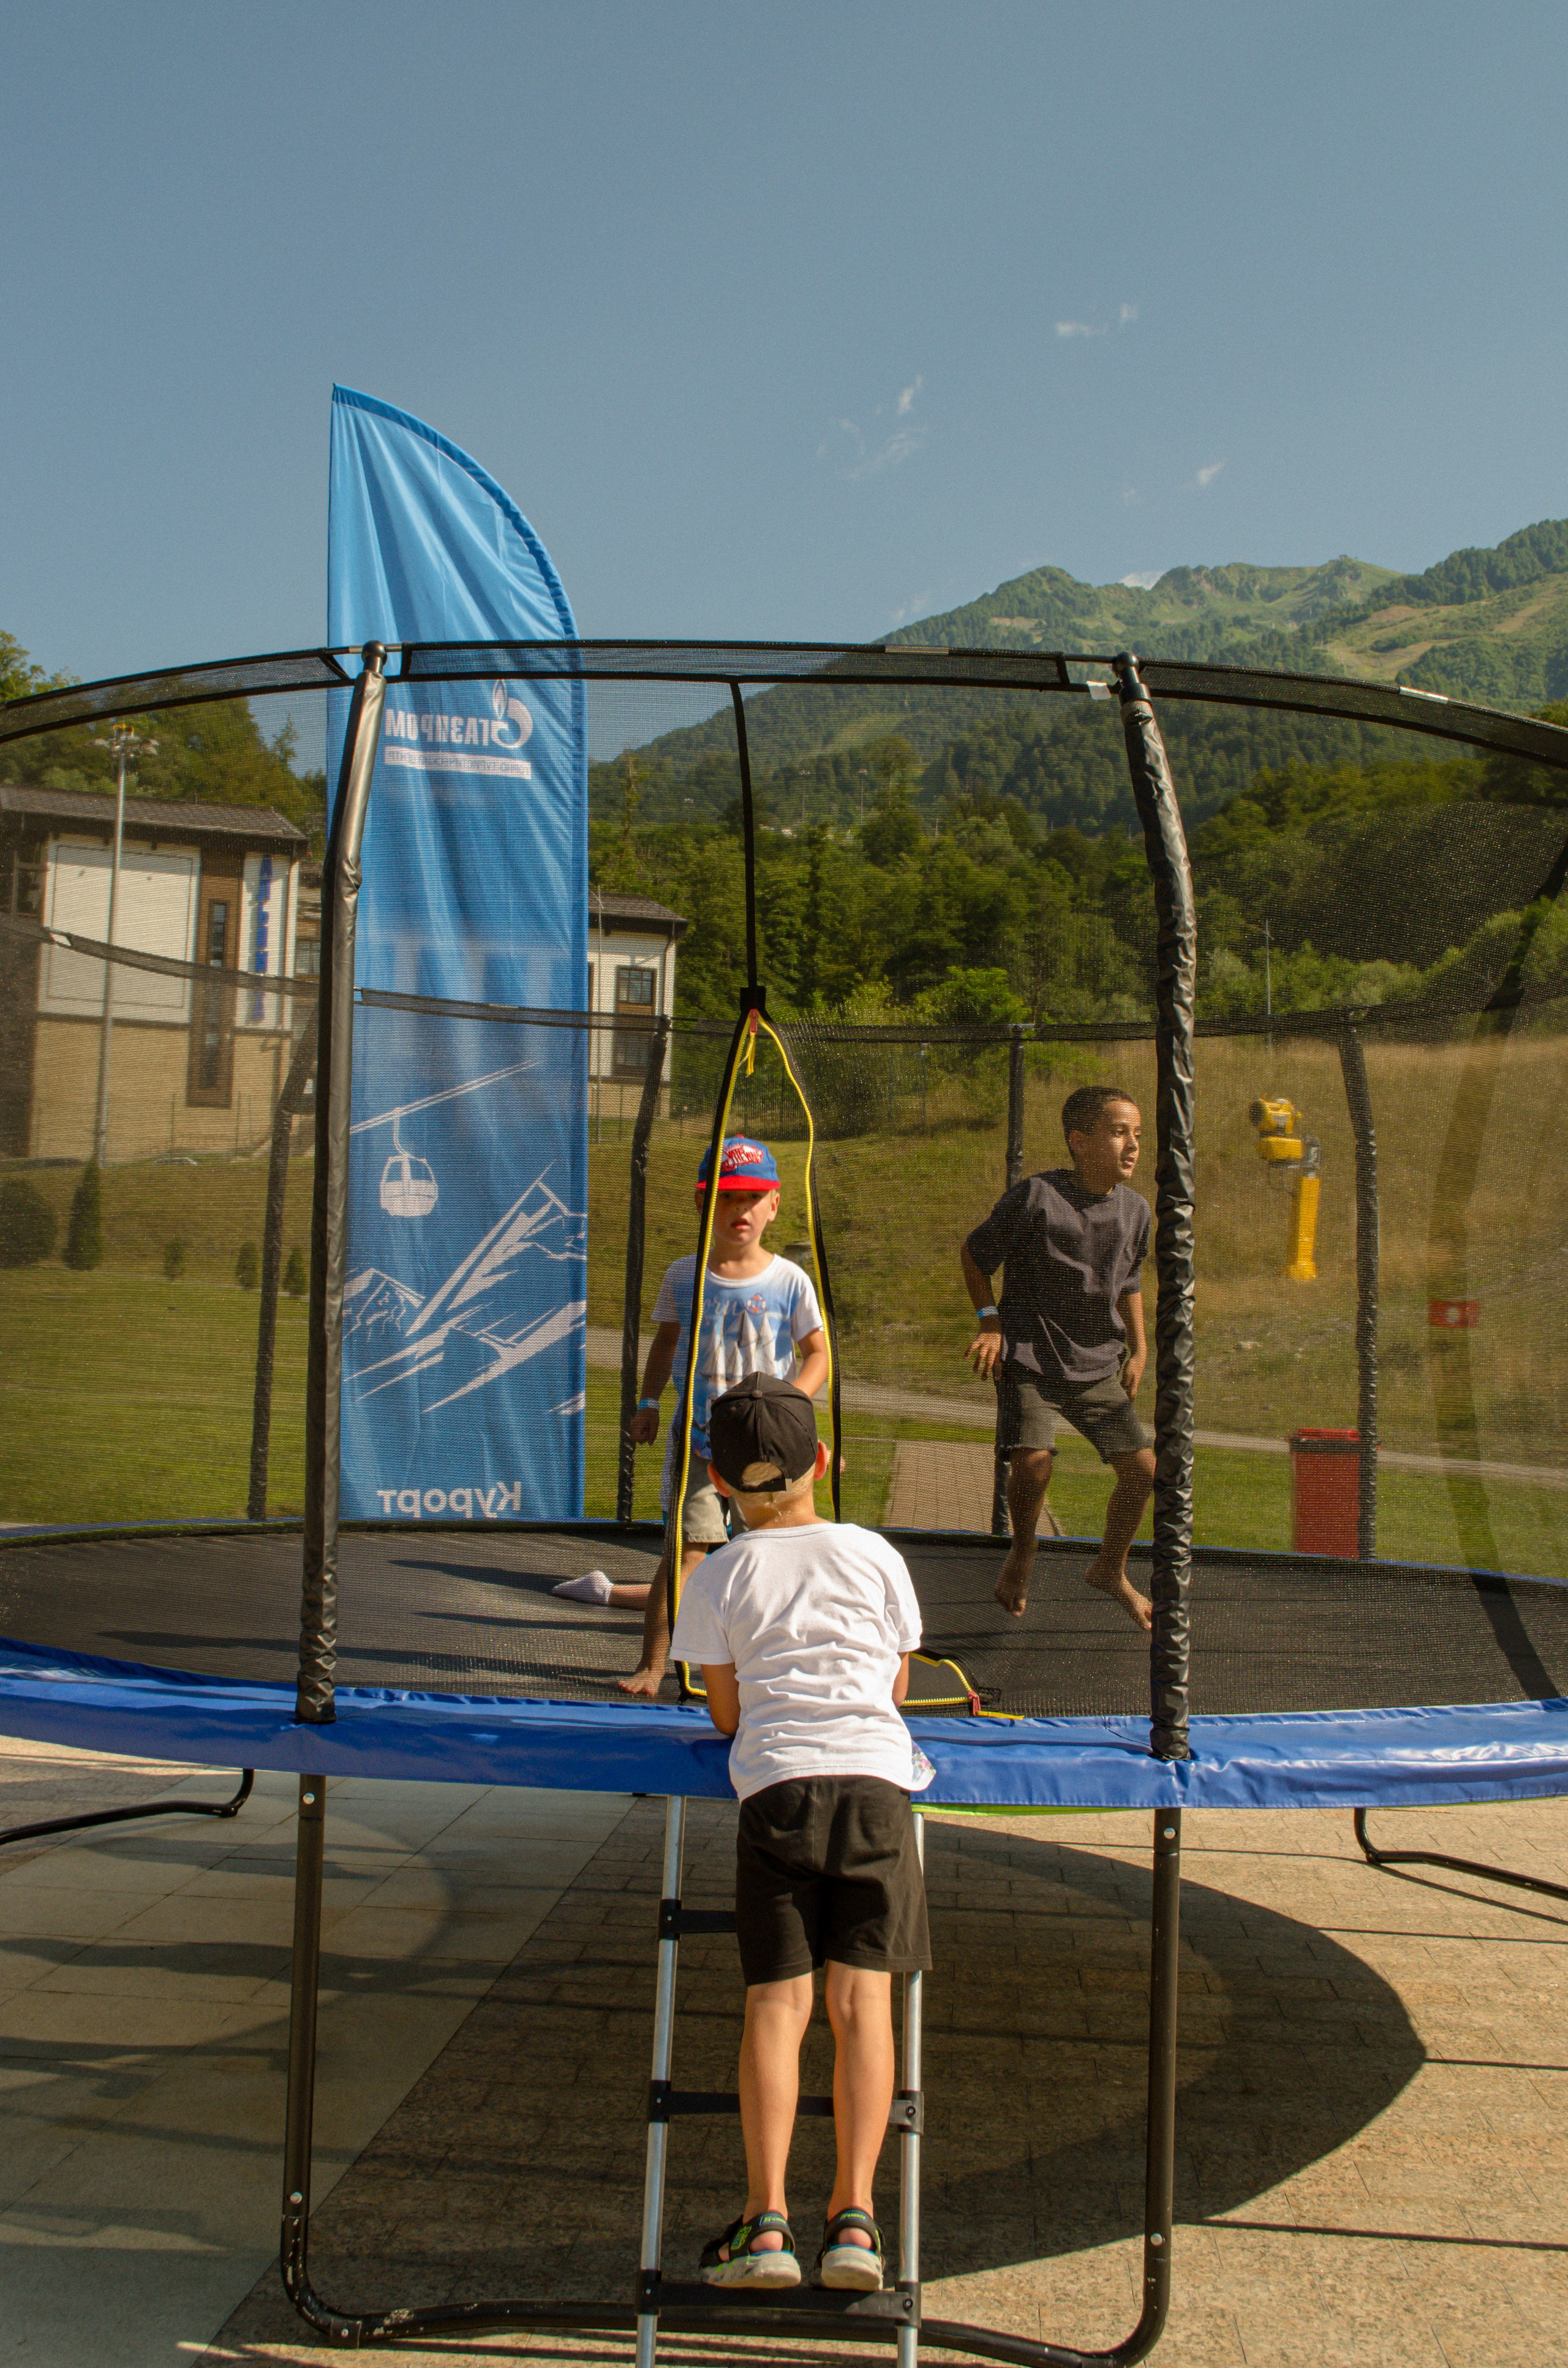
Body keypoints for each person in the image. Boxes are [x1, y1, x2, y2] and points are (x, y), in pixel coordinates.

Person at [668, 1373, 932, 2292]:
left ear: (718, 1480)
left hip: (778, 1790)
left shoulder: (723, 1572)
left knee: (778, 2007)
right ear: (824, 1462)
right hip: (874, 1789)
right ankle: (854, 2217)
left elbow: (725, 1713)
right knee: (865, 2005)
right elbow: (894, 1688)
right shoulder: (874, 1554)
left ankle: (766, 2220)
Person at [550, 1137, 828, 1697]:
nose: (741, 1209)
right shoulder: (685, 1275)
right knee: (686, 1552)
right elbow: (666, 1341)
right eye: (727, 1197)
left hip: (769, 1449)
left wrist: (789, 1406)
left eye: (753, 1197)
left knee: (780, 1552)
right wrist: (649, 1401)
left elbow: (817, 1352)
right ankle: (654, 1664)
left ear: (774, 1204)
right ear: (703, 1204)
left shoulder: (788, 1281)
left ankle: (779, 1665)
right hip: (701, 1445)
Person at [960, 1083, 1155, 1631]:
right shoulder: (1036, 1198)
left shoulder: (1137, 1211)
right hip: (1032, 1357)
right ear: (1080, 1141)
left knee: (1143, 1472)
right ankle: (1024, 1551)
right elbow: (975, 1256)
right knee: (1034, 1460)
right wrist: (990, 1320)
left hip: (1097, 1366)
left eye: (1138, 1134)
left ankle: (1110, 1569)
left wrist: (1139, 1348)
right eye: (1119, 1132)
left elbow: (1130, 1281)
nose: (1133, 1145)